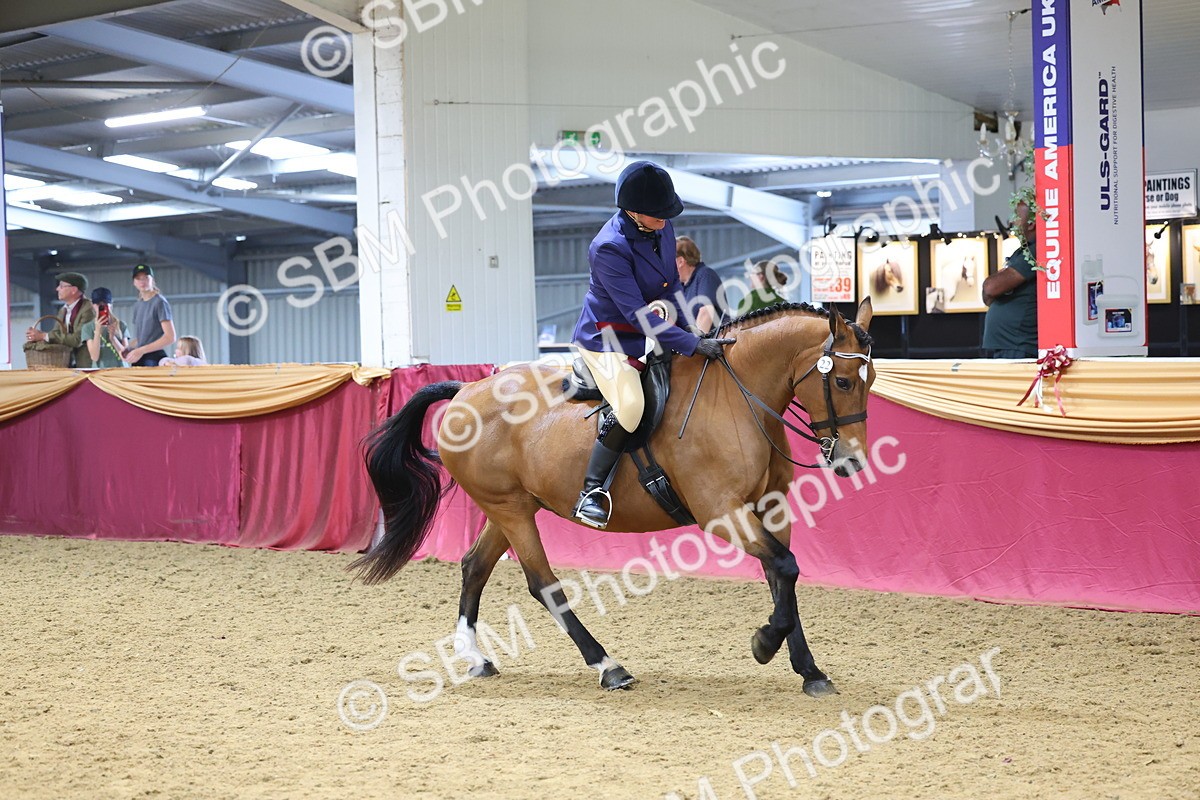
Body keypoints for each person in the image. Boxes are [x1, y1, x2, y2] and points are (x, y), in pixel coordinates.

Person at [571, 161, 732, 529]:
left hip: (652, 328)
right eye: (659, 215)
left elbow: (672, 285)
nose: (666, 219)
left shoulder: (661, 224)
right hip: (608, 337)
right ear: (633, 211)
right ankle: (591, 492)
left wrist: (692, 327)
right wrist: (690, 344)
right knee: (630, 405)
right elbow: (637, 315)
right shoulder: (608, 247)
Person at [982, 202, 1038, 358]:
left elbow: (991, 288)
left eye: (1016, 217)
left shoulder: (1037, 250)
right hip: (1011, 345)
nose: (1011, 222)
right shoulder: (1026, 250)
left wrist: (993, 287)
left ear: (1031, 223)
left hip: (1017, 347)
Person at [25, 272, 95, 367]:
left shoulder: (89, 309)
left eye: (61, 286)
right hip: (67, 363)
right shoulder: (63, 310)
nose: (57, 289)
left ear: (74, 290)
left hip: (85, 365)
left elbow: (78, 339)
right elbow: (56, 333)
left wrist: (43, 336)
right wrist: (38, 335)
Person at [123, 264, 177, 367]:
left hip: (154, 357)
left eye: (146, 278)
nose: (142, 281)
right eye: (138, 278)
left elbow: (170, 337)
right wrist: (128, 348)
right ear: (134, 282)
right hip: (139, 357)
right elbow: (142, 338)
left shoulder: (160, 302)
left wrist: (141, 350)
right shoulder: (138, 305)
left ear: (152, 280)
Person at [675, 236, 725, 333]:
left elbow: (706, 312)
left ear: (681, 261)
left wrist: (695, 344)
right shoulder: (683, 286)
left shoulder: (705, 275)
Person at [81, 287, 131, 368]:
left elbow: (126, 356)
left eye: (105, 304)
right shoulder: (88, 327)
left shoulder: (121, 325)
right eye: (98, 305)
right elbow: (94, 357)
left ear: (111, 304)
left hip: (121, 371)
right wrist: (97, 332)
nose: (102, 307)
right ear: (92, 305)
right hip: (100, 373)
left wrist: (113, 338)